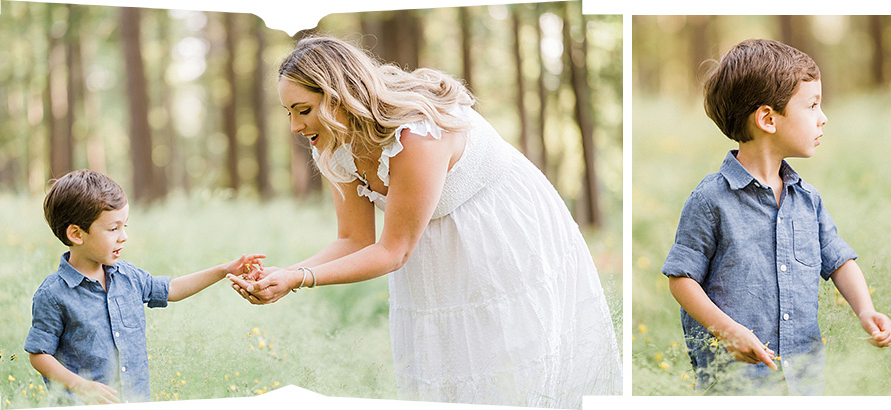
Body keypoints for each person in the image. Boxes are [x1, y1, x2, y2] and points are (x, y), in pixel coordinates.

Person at [228, 36, 620, 407]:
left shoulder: (416, 137)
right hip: (426, 242)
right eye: (289, 113)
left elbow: (393, 250)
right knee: (445, 367)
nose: (295, 127)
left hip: (495, 228)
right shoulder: (333, 143)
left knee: (509, 364)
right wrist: (286, 273)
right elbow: (354, 239)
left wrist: (299, 279)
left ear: (339, 98)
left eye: (304, 110)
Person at [662, 38, 891, 395]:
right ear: (768, 119)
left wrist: (866, 311)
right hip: (734, 384)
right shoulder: (710, 200)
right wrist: (727, 331)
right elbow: (681, 279)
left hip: (802, 381)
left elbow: (839, 261)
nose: (823, 117)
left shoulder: (808, 200)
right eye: (812, 105)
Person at [24, 169, 264, 404]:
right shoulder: (54, 294)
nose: (123, 236)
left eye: (124, 226)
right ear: (76, 234)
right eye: (113, 228)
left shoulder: (128, 277)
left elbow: (172, 289)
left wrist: (224, 270)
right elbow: (39, 354)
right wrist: (80, 385)